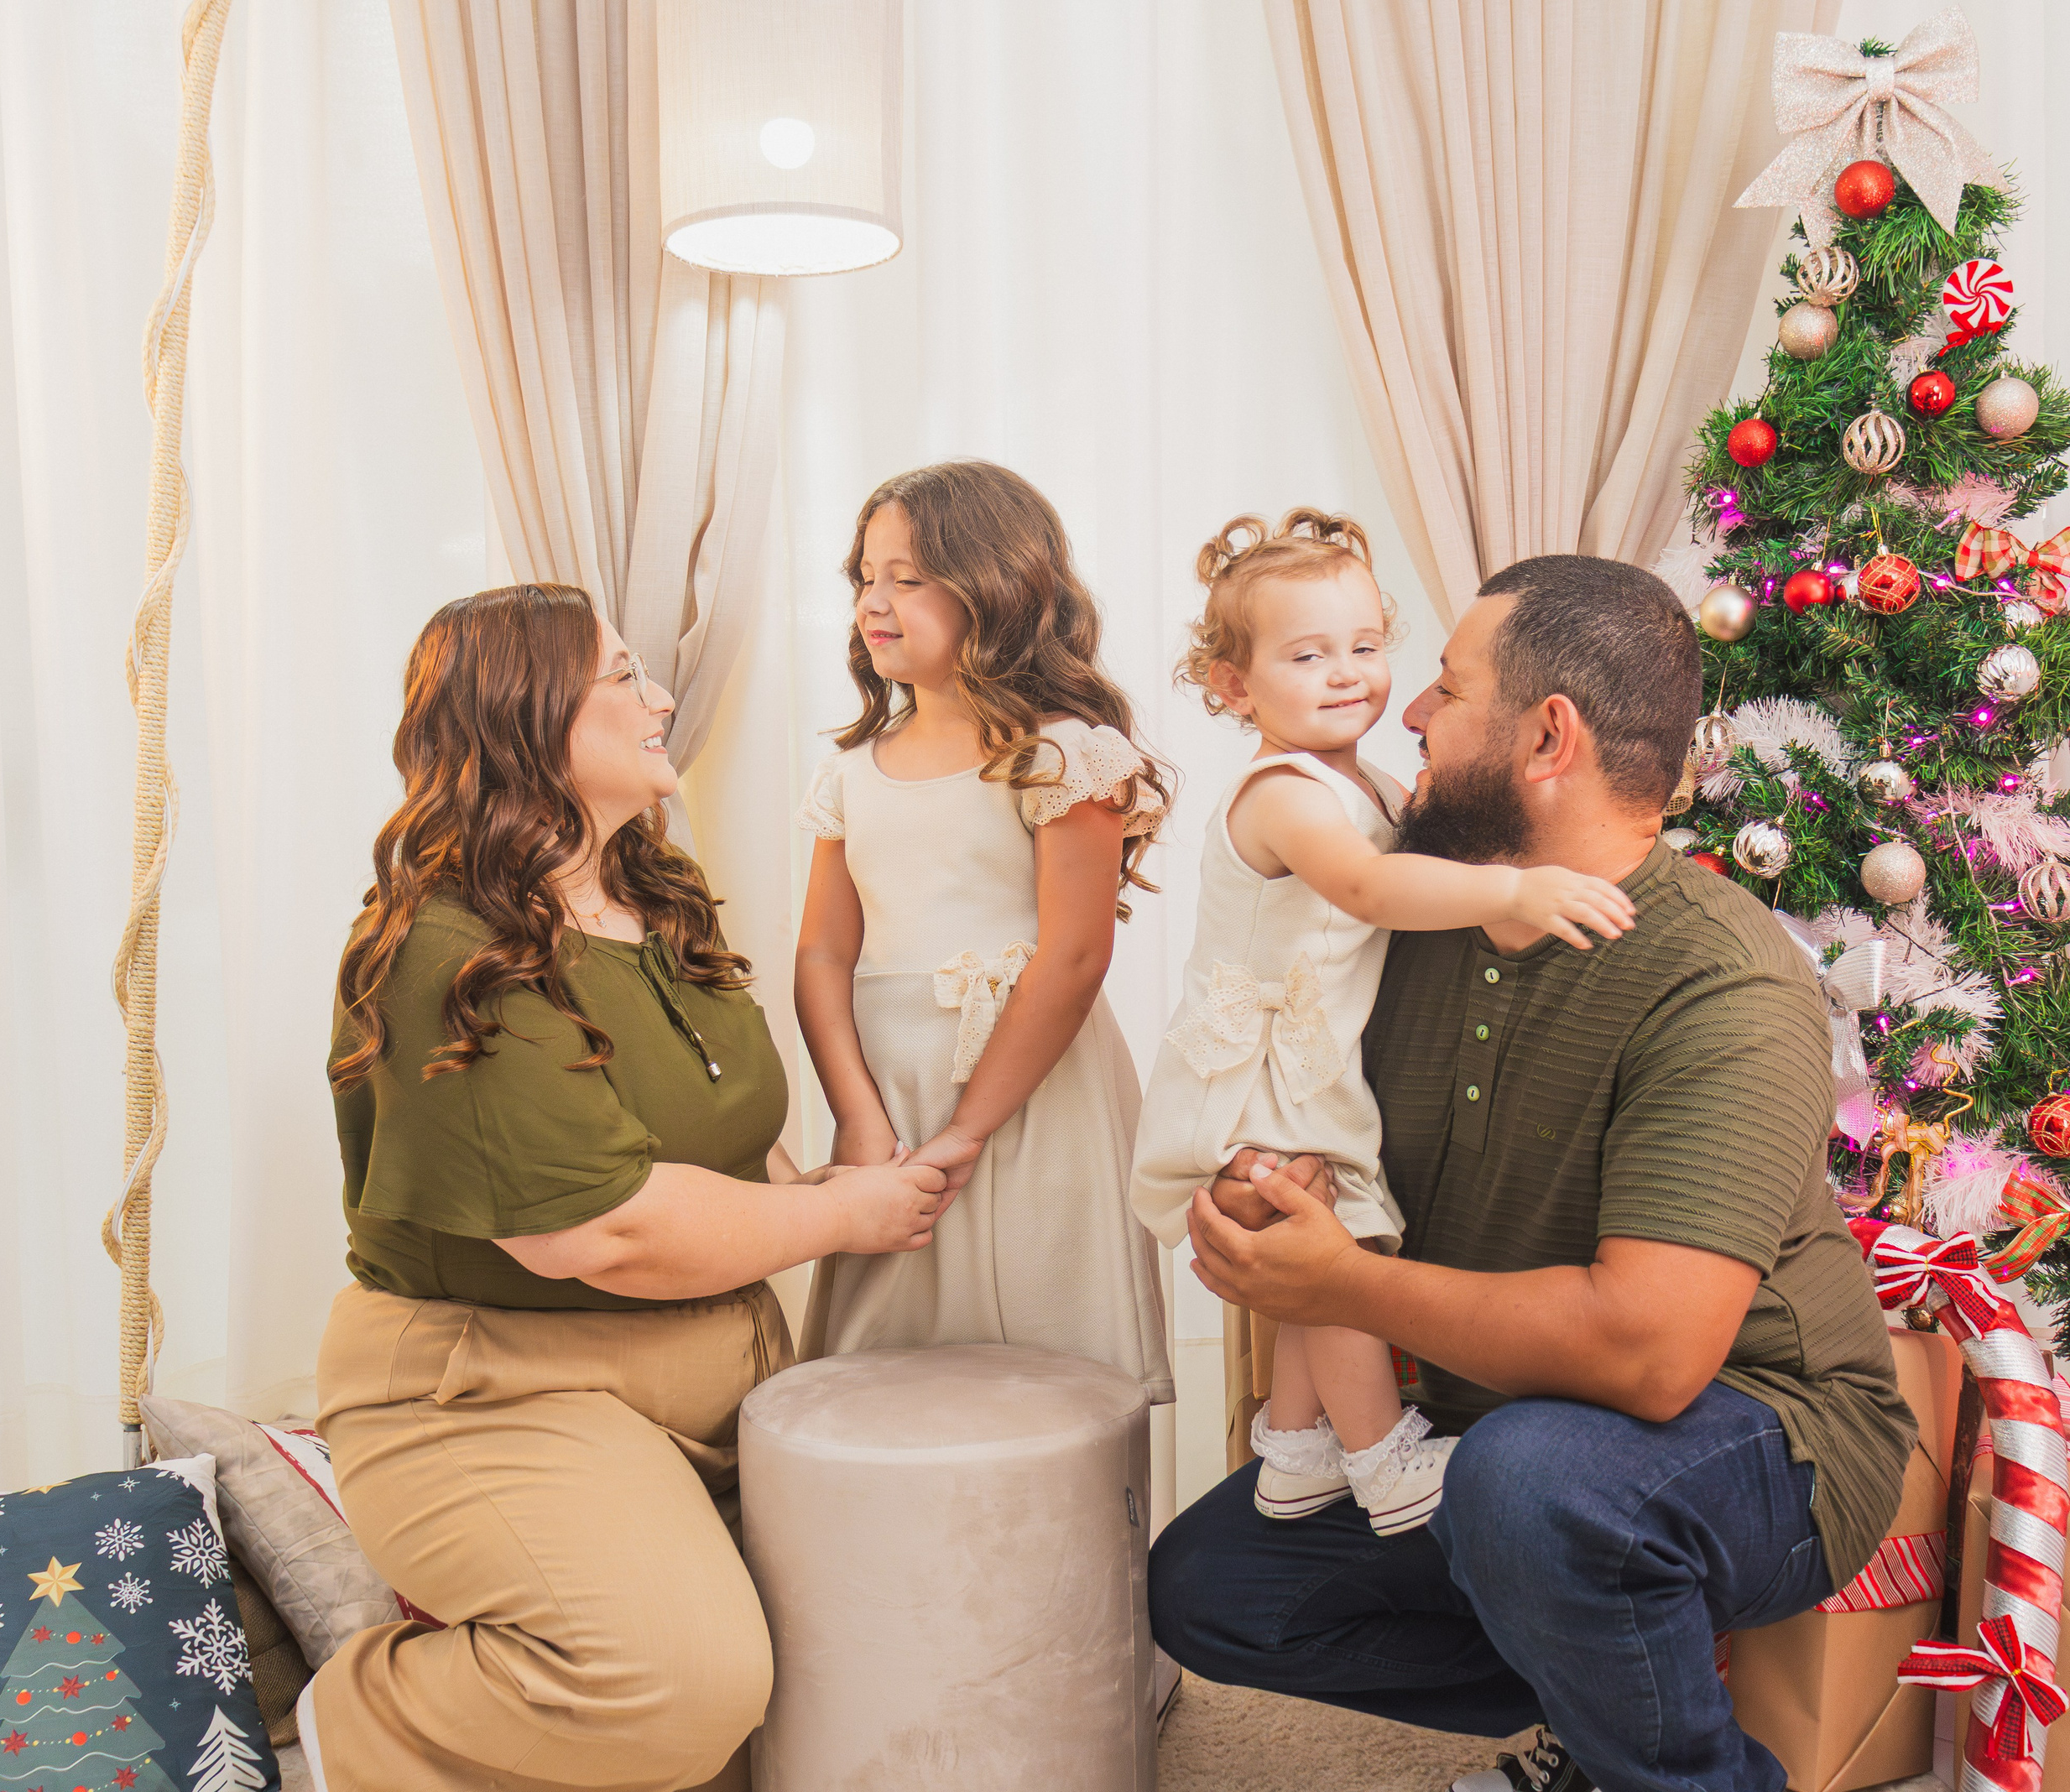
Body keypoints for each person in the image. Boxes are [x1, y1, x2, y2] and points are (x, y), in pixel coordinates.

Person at [1149, 556, 1915, 1792]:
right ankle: (1608, 1690)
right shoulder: (1418, 921)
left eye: (1446, 690)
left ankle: (1678, 1773)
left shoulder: (1722, 981)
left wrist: (1335, 1285)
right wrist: (1265, 1199)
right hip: (1500, 1424)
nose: (1406, 713)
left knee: (1537, 1484)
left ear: (1546, 736)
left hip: (1764, 1434)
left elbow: (1651, 1356)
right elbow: (1315, 1122)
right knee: (1220, 1588)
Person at [298, 584, 950, 1792]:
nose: (660, 700)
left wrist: (835, 1174)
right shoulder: (445, 948)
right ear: (527, 716)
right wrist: (845, 1215)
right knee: (678, 1685)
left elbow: (720, 1142)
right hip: (497, 1389)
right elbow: (601, 1231)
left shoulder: (657, 898)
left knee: (861, 1663)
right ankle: (367, 1716)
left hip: (720, 1364)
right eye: (624, 678)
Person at [1131, 513, 1633, 1534]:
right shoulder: (1281, 793)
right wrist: (1516, 891)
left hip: (1310, 1060)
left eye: (1365, 647)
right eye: (1306, 655)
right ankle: (1380, 1461)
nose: (1347, 674)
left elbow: (1413, 850)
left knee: (1319, 1247)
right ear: (1235, 687)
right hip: (1261, 1069)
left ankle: (1295, 1448)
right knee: (1342, 1252)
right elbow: (1367, 885)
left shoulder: (1371, 783)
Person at [794, 461, 1173, 1401]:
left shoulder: (1061, 754)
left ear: (996, 586)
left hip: (1032, 1092)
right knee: (888, 1363)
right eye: (864, 577)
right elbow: (822, 954)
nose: (874, 603)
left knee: (1048, 1358)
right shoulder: (851, 774)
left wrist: (968, 1131)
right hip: (891, 1093)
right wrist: (858, 1115)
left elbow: (1076, 955)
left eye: (908, 578)